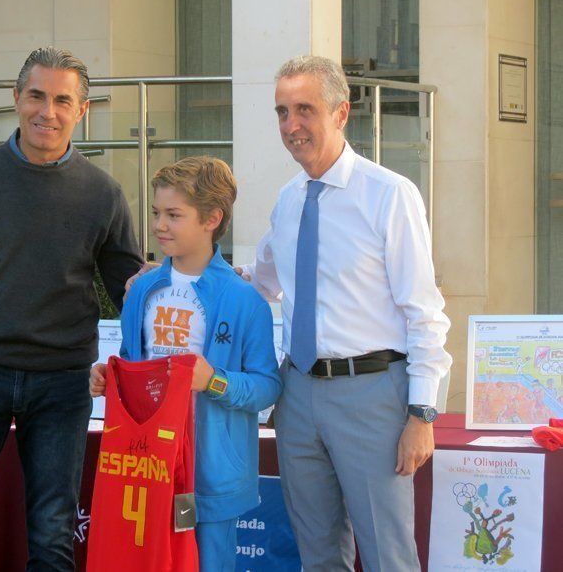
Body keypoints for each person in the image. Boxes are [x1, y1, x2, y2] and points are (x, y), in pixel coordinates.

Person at [0, 47, 143, 571]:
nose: (48, 111)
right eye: (36, 95)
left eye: (63, 100)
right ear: (16, 99)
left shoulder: (103, 194)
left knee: (53, 537)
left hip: (61, 385)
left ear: (82, 111)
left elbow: (133, 293)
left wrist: (189, 275)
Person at [239, 56, 452, 571]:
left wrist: (422, 413)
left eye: (305, 110)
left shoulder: (389, 195)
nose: (291, 126)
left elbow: (424, 311)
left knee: (388, 556)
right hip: (299, 398)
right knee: (317, 554)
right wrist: (175, 273)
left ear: (341, 113)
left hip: (373, 396)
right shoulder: (289, 202)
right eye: (282, 112)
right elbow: (257, 281)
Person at [91, 156, 282, 571]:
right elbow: (131, 362)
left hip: (210, 474)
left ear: (212, 218)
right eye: (157, 213)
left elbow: (268, 386)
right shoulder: (140, 290)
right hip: (148, 468)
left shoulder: (245, 301)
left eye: (174, 215)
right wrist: (111, 378)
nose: (160, 225)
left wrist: (213, 381)